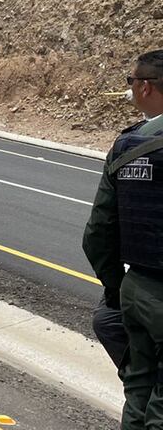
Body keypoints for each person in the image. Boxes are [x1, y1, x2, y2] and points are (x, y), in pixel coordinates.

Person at [84, 49, 163, 428]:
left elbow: (97, 234)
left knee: (139, 392)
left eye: (130, 82)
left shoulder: (127, 146)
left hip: (137, 289)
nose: (129, 89)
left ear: (145, 87)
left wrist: (119, 290)